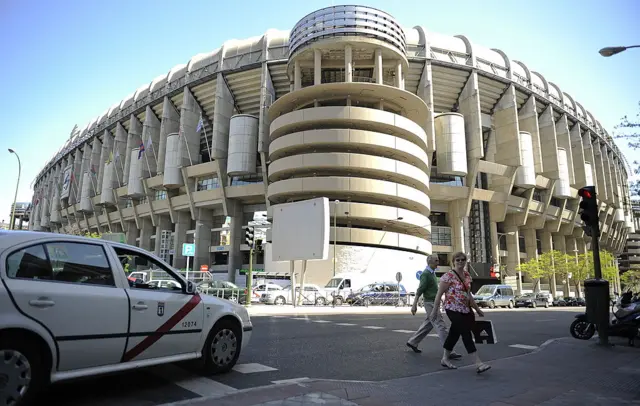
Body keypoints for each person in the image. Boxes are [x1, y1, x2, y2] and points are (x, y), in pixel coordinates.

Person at [430, 251, 491, 374]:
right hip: (452, 309)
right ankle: (478, 363)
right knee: (465, 332)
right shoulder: (448, 276)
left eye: (462, 259)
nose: (460, 262)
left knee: (454, 334)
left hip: (465, 309)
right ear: (453, 262)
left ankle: (445, 358)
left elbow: (469, 295)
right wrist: (434, 311)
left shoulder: (467, 276)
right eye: (457, 260)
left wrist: (477, 309)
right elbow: (439, 295)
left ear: (465, 261)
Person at [407, 255, 461, 360]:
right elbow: (420, 289)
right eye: (436, 260)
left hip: (433, 302)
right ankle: (449, 351)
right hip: (430, 303)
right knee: (441, 325)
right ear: (430, 262)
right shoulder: (425, 274)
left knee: (429, 324)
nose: (438, 262)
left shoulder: (432, 273)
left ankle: (412, 342)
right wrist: (414, 305)